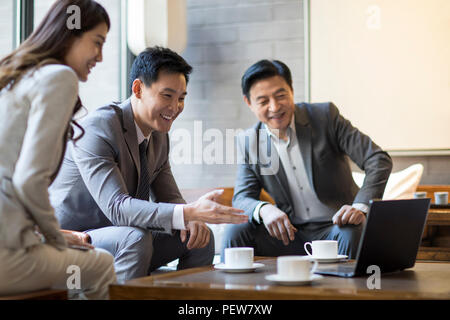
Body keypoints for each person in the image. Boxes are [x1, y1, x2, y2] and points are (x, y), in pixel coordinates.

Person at [49, 46, 247, 283]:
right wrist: (189, 212)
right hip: (76, 241)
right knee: (135, 238)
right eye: (167, 95)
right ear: (138, 88)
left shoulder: (159, 136)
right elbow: (117, 207)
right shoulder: (99, 128)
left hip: (128, 239)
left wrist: (193, 218)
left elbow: (170, 197)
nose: (175, 108)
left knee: (198, 237)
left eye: (181, 98)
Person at [0, 0, 116, 299]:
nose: (101, 57)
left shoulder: (15, 78)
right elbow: (28, 181)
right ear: (71, 34)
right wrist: (55, 239)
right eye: (97, 42)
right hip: (7, 253)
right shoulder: (58, 77)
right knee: (101, 265)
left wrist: (52, 236)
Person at [223, 59, 393, 259]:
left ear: (292, 90)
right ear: (249, 103)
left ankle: (346, 289)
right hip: (290, 234)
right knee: (235, 231)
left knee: (351, 230)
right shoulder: (249, 142)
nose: (275, 107)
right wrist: (264, 209)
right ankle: (233, 290)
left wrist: (360, 207)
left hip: (336, 227)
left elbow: (378, 159)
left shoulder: (325, 117)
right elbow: (242, 198)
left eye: (281, 95)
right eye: (263, 101)